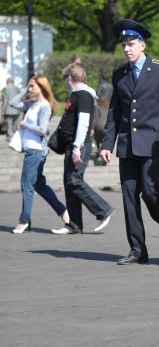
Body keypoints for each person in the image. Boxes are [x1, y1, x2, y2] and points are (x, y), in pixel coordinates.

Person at [100, 19, 159, 264]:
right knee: (129, 195)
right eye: (124, 44)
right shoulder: (120, 74)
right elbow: (115, 112)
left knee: (150, 191)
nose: (127, 49)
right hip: (127, 144)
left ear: (143, 45)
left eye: (131, 44)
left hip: (153, 142)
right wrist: (106, 144)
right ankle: (137, 249)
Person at [52, 64, 114, 234]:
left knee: (74, 180)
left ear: (69, 78)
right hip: (73, 144)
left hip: (80, 145)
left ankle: (103, 209)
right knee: (69, 182)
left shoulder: (83, 95)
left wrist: (77, 147)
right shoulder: (78, 94)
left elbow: (84, 122)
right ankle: (74, 224)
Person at [9, 75, 68, 233]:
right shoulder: (31, 104)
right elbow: (12, 103)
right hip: (30, 149)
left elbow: (43, 130)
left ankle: (24, 220)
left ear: (41, 87)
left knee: (26, 185)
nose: (30, 89)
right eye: (29, 86)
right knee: (39, 185)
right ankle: (64, 212)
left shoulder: (45, 106)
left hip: (36, 150)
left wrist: (25, 124)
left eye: (33, 86)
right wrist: (25, 88)